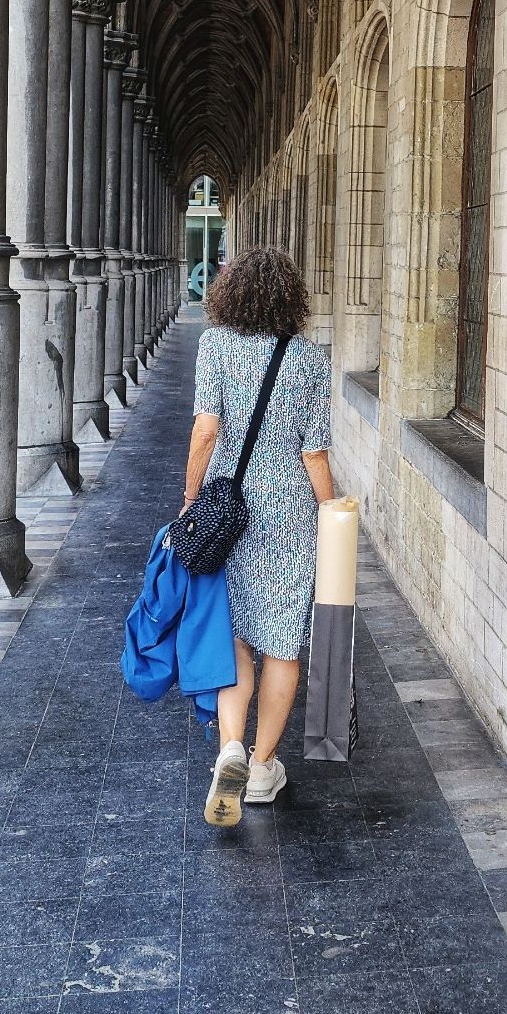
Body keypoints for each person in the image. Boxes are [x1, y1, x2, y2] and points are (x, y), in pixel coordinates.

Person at [183, 245, 335, 824]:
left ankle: (230, 747)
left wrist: (192, 497)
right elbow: (313, 453)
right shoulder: (307, 359)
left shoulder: (215, 345)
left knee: (237, 636)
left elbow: (205, 430)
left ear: (232, 293)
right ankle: (263, 765)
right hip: (290, 518)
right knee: (282, 644)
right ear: (290, 300)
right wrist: (334, 512)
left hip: (232, 512)